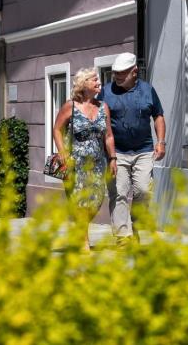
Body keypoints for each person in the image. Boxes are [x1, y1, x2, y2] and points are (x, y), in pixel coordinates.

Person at [98, 52, 165, 244]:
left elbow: (158, 116)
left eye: (122, 73)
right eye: (115, 73)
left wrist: (161, 142)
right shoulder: (106, 92)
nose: (117, 76)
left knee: (144, 191)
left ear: (134, 72)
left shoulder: (147, 90)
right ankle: (123, 237)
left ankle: (135, 224)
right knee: (118, 193)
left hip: (144, 150)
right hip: (116, 153)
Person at [53, 68, 117, 251]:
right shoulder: (70, 106)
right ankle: (84, 241)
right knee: (80, 201)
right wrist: (62, 151)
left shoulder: (103, 107)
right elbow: (57, 129)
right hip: (75, 163)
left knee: (96, 200)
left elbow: (108, 136)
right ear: (83, 84)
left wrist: (112, 158)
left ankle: (79, 229)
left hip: (97, 163)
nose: (99, 82)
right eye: (94, 79)